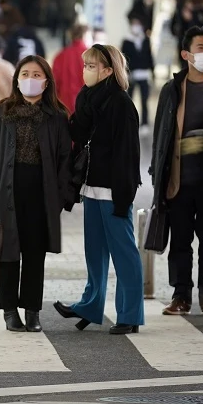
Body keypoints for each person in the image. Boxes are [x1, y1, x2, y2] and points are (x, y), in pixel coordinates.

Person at [0, 55, 73, 333]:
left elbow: (66, 159)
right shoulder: (0, 114)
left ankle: (32, 311)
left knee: (34, 254)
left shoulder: (57, 117)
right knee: (6, 254)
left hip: (41, 193)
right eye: (25, 74)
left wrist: (64, 196)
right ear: (16, 79)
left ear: (47, 81)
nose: (31, 79)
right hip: (6, 191)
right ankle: (9, 311)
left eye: (37, 75)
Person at [53, 44, 143, 334]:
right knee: (95, 252)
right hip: (91, 187)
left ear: (108, 70)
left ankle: (130, 315)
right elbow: (78, 135)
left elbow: (129, 155)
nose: (86, 71)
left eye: (92, 66)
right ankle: (91, 306)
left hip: (114, 190)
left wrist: (124, 195)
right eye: (85, 66)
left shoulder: (121, 103)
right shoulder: (89, 99)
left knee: (124, 253)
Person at [149, 26, 203, 316]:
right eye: (201, 47)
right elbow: (161, 133)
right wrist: (158, 174)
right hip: (178, 179)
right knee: (180, 241)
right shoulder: (172, 90)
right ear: (186, 54)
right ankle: (181, 295)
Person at [120, 14, 154, 128]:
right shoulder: (126, 41)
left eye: (138, 24)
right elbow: (123, 59)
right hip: (131, 75)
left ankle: (144, 122)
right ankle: (129, 121)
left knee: (145, 100)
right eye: (134, 24)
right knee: (129, 100)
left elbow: (149, 56)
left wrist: (152, 71)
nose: (136, 26)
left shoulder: (145, 40)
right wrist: (125, 74)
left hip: (144, 74)